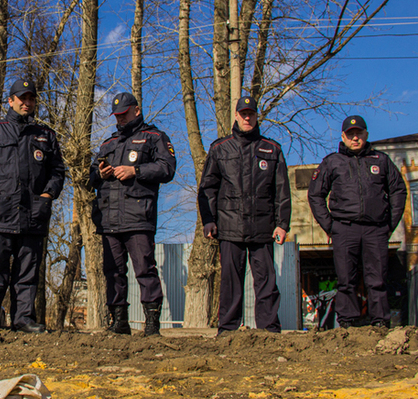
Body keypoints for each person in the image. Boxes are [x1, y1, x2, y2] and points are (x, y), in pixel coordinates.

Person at [0, 78, 66, 338]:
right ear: (10, 101)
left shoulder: (46, 135)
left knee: (28, 272)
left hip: (34, 215)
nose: (27, 102)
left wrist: (47, 196)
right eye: (22, 98)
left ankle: (23, 318)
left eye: (31, 98)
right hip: (2, 212)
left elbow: (57, 171)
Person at [197, 96, 291, 335]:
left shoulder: (272, 149)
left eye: (251, 113)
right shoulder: (220, 148)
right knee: (230, 282)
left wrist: (282, 224)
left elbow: (282, 190)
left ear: (257, 116)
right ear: (236, 116)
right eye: (243, 113)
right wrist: (209, 220)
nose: (247, 117)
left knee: (267, 282)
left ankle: (269, 330)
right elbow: (207, 188)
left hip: (263, 227)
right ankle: (227, 330)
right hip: (229, 227)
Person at [89, 92, 176, 336]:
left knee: (145, 269)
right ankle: (119, 322)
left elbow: (167, 168)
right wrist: (101, 174)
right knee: (113, 272)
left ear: (136, 110)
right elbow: (91, 176)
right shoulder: (108, 143)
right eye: (117, 116)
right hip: (109, 218)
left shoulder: (154, 137)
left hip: (138, 216)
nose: (120, 119)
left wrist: (135, 171)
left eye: (124, 114)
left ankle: (151, 324)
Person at [307, 115, 406, 329]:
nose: (355, 138)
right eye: (350, 134)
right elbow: (315, 195)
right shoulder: (332, 162)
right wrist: (330, 226)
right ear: (343, 136)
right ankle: (347, 323)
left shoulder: (381, 161)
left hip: (376, 229)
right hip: (344, 229)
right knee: (346, 279)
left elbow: (398, 189)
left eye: (359, 133)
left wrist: (390, 223)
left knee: (377, 278)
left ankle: (380, 322)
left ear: (366, 134)